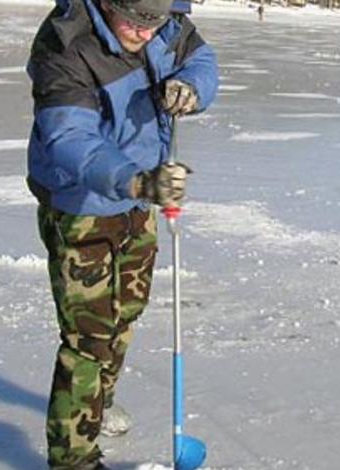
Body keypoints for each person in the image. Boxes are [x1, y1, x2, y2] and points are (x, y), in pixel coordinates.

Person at [25, 0, 218, 468]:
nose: (147, 34)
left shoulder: (162, 24)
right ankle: (73, 457)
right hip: (83, 207)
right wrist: (135, 179)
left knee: (126, 312)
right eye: (137, 22)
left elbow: (202, 59)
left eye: (156, 24)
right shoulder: (66, 45)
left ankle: (97, 401)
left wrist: (191, 87)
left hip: (138, 202)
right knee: (88, 336)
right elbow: (69, 139)